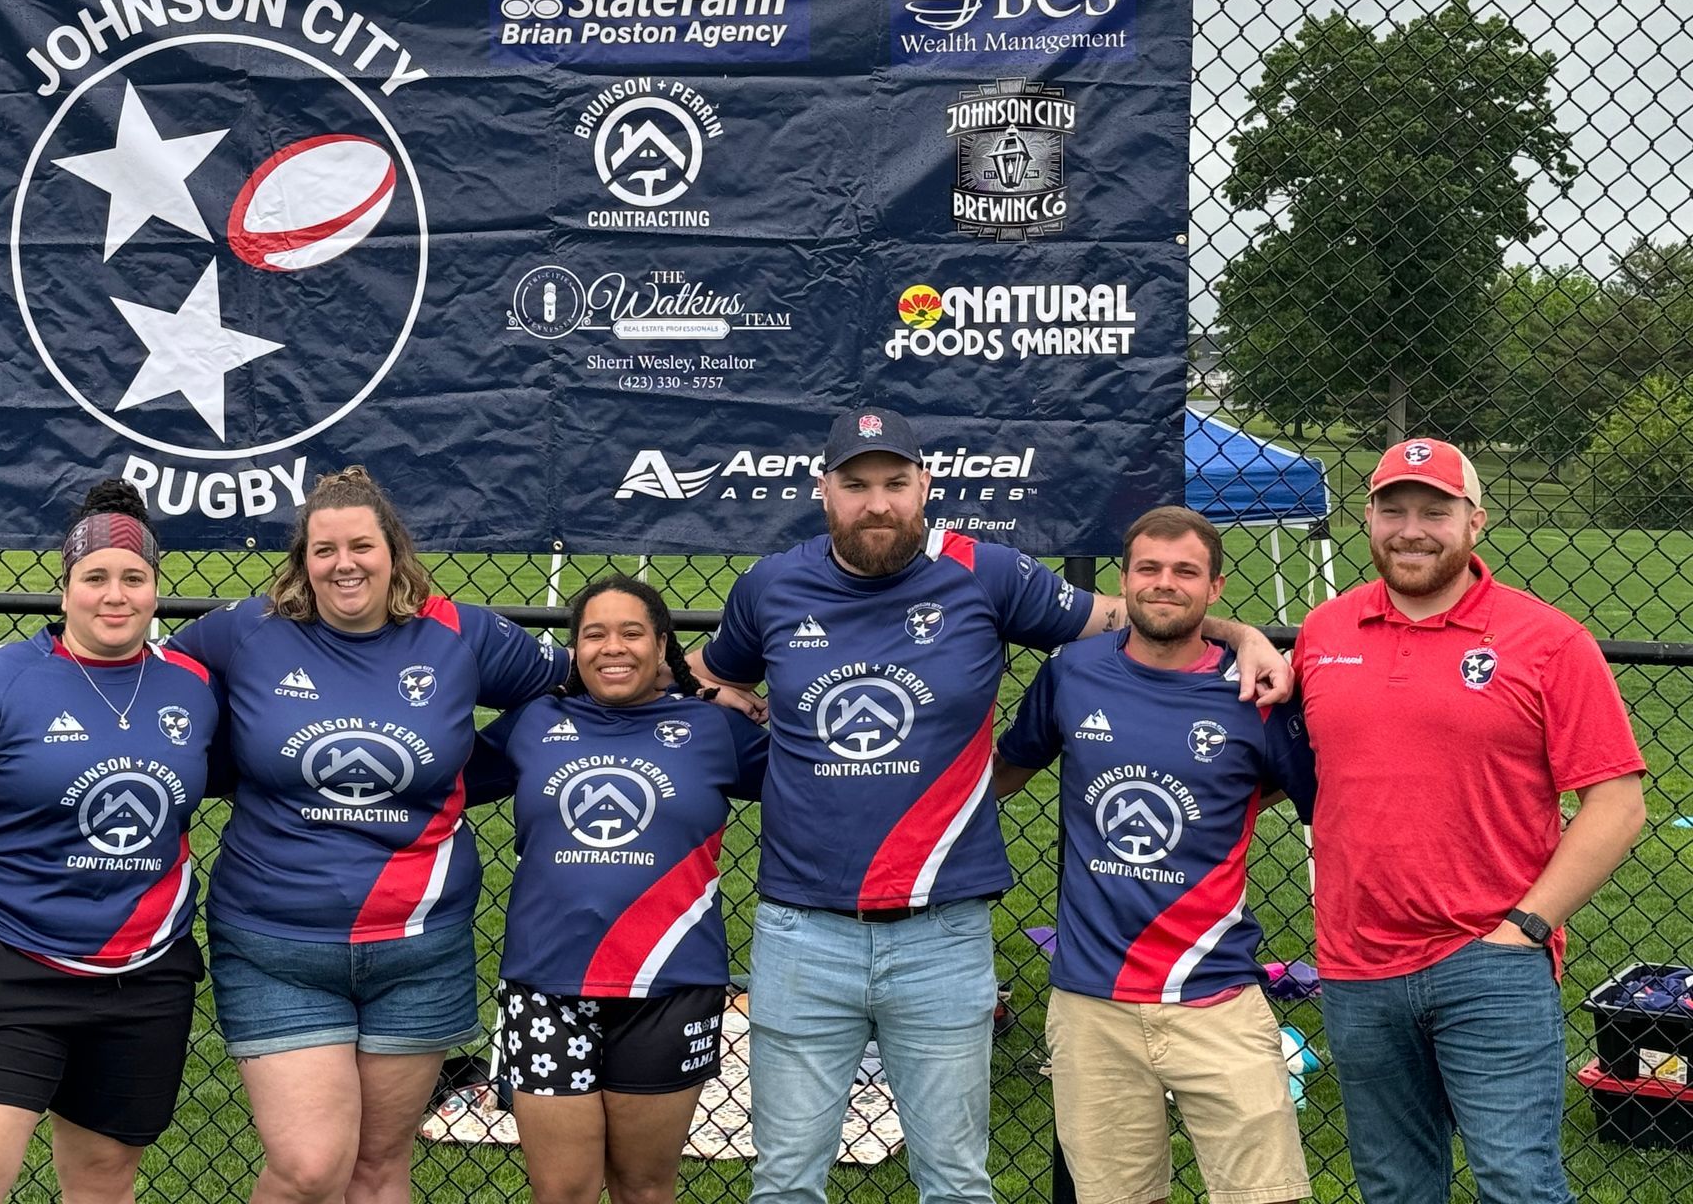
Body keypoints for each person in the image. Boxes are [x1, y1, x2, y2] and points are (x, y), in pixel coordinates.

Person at [687, 407, 1292, 1204]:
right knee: (785, 1183)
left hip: (943, 929)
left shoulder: (987, 572)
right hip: (803, 928)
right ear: (823, 492)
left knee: (957, 1182)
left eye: (896, 484)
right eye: (857, 485)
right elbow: (706, 665)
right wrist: (727, 697)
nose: (878, 503)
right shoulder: (772, 583)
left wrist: (1241, 631)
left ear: (925, 488)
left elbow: (1134, 614)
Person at [171, 465, 572, 1204]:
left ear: (394, 551)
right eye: (324, 550)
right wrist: (229, 767)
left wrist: (478, 770)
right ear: (302, 560)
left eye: (361, 545)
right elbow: (157, 684)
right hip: (275, 942)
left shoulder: (461, 632)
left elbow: (573, 687)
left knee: (379, 1166)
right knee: (310, 1167)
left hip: (419, 946)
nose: (344, 564)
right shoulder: (247, 631)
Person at [1292, 438, 1647, 1204]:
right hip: (1356, 965)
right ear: (1368, 518)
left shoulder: (1550, 642)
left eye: (1435, 511)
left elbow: (1618, 803)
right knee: (1394, 1188)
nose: (1411, 529)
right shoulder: (1324, 633)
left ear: (1475, 522)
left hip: (1490, 960)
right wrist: (1238, 633)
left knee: (1517, 1185)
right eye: (1393, 510)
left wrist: (1525, 926)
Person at [0, 479, 218, 1204]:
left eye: (133, 578)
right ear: (64, 588)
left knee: (103, 1180)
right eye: (94, 577)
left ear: (155, 589)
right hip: (10, 961)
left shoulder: (194, 687)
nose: (115, 594)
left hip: (144, 972)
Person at [992, 506, 1315, 1204]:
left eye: (1185, 572)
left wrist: (1241, 798)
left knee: (1270, 1196)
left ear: (1216, 588)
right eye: (1149, 569)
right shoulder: (1072, 674)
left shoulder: (1256, 693)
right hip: (1092, 1001)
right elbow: (1006, 771)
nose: (1165, 584)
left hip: (1217, 993)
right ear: (1125, 578)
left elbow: (1322, 800)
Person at [467, 574, 768, 1204]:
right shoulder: (535, 721)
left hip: (668, 987)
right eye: (593, 634)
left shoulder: (713, 728)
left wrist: (722, 693)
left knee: (645, 1186)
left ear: (663, 646)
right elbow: (434, 780)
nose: (613, 647)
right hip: (546, 985)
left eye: (632, 632)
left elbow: (820, 779)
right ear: (573, 649)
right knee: (562, 1191)